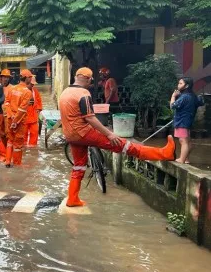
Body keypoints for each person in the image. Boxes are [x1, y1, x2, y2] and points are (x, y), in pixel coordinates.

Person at [59, 67, 175, 207]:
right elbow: (90, 118)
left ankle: (72, 199)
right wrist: (109, 133)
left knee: (79, 166)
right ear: (88, 79)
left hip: (70, 135)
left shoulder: (65, 92)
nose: (91, 83)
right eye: (91, 80)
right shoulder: (83, 93)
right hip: (83, 133)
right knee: (125, 145)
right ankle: (164, 153)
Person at [170, 77, 205, 164]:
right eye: (178, 83)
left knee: (183, 141)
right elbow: (201, 102)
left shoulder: (184, 97)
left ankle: (182, 159)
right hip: (188, 121)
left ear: (187, 86)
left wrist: (173, 96)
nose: (178, 85)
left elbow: (172, 106)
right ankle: (186, 159)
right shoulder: (193, 96)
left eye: (181, 83)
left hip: (181, 121)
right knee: (188, 141)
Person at [4, 69, 34, 167]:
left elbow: (6, 103)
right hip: (19, 122)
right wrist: (15, 121)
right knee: (18, 144)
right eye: (30, 77)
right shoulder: (27, 92)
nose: (31, 79)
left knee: (10, 141)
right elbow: (22, 109)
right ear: (27, 78)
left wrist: (11, 117)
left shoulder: (12, 88)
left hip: (9, 119)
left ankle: (8, 161)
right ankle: (17, 165)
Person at [0, 68, 13, 159]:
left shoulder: (12, 88)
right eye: (4, 77)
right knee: (1, 134)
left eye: (7, 77)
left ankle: (8, 156)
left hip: (8, 115)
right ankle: (3, 154)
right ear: (1, 77)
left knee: (9, 135)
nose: (6, 79)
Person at [25, 74, 43, 147]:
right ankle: (24, 148)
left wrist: (39, 109)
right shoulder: (22, 91)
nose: (32, 86)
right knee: (23, 135)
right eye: (31, 84)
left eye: (33, 84)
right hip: (24, 117)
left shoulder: (35, 91)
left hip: (34, 117)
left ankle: (33, 149)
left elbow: (39, 101)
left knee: (34, 133)